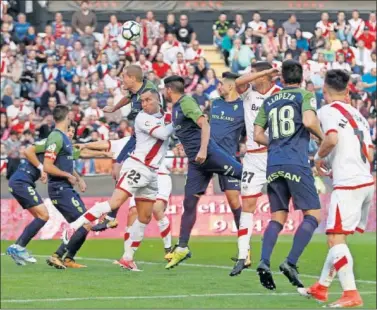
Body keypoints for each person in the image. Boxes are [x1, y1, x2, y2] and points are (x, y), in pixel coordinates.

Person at [64, 89, 175, 271]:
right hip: (137, 166)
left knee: (145, 217)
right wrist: (178, 122)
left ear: (159, 101)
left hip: (152, 173)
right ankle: (72, 227)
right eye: (142, 100)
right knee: (114, 202)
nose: (144, 103)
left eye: (148, 100)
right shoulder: (142, 117)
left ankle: (127, 258)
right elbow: (163, 134)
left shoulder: (168, 116)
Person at [299, 69, 374, 308]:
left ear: (325, 91)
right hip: (366, 182)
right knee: (338, 238)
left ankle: (351, 293)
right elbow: (369, 152)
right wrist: (335, 165)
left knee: (334, 239)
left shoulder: (327, 111)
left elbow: (331, 139)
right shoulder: (358, 115)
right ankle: (322, 287)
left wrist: (318, 159)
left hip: (349, 184)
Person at [253, 60, 324, 290]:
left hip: (273, 164)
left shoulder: (269, 100)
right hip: (295, 162)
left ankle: (264, 261)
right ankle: (290, 262)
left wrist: (275, 142)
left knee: (278, 217)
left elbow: (256, 135)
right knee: (313, 215)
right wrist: (322, 138)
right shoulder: (304, 95)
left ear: (281, 79)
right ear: (301, 78)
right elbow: (308, 121)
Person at [163, 75, 243, 269]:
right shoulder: (176, 109)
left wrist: (203, 150)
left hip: (209, 155)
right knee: (189, 202)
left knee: (246, 176)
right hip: (197, 163)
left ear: (168, 90)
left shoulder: (186, 102)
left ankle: (281, 183)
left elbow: (204, 124)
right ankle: (182, 248)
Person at [229, 62, 281, 276]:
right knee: (247, 204)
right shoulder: (248, 93)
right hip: (252, 157)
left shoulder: (280, 94)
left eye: (254, 72)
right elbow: (237, 82)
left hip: (276, 155)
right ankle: (243, 256)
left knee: (282, 206)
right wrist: (263, 73)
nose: (250, 76)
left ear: (263, 77)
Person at [209, 72, 245, 250]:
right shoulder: (214, 104)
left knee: (234, 202)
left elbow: (247, 134)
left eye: (221, 84)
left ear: (230, 86)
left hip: (228, 158)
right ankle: (180, 246)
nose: (219, 87)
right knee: (191, 197)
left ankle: (244, 248)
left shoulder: (243, 107)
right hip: (207, 157)